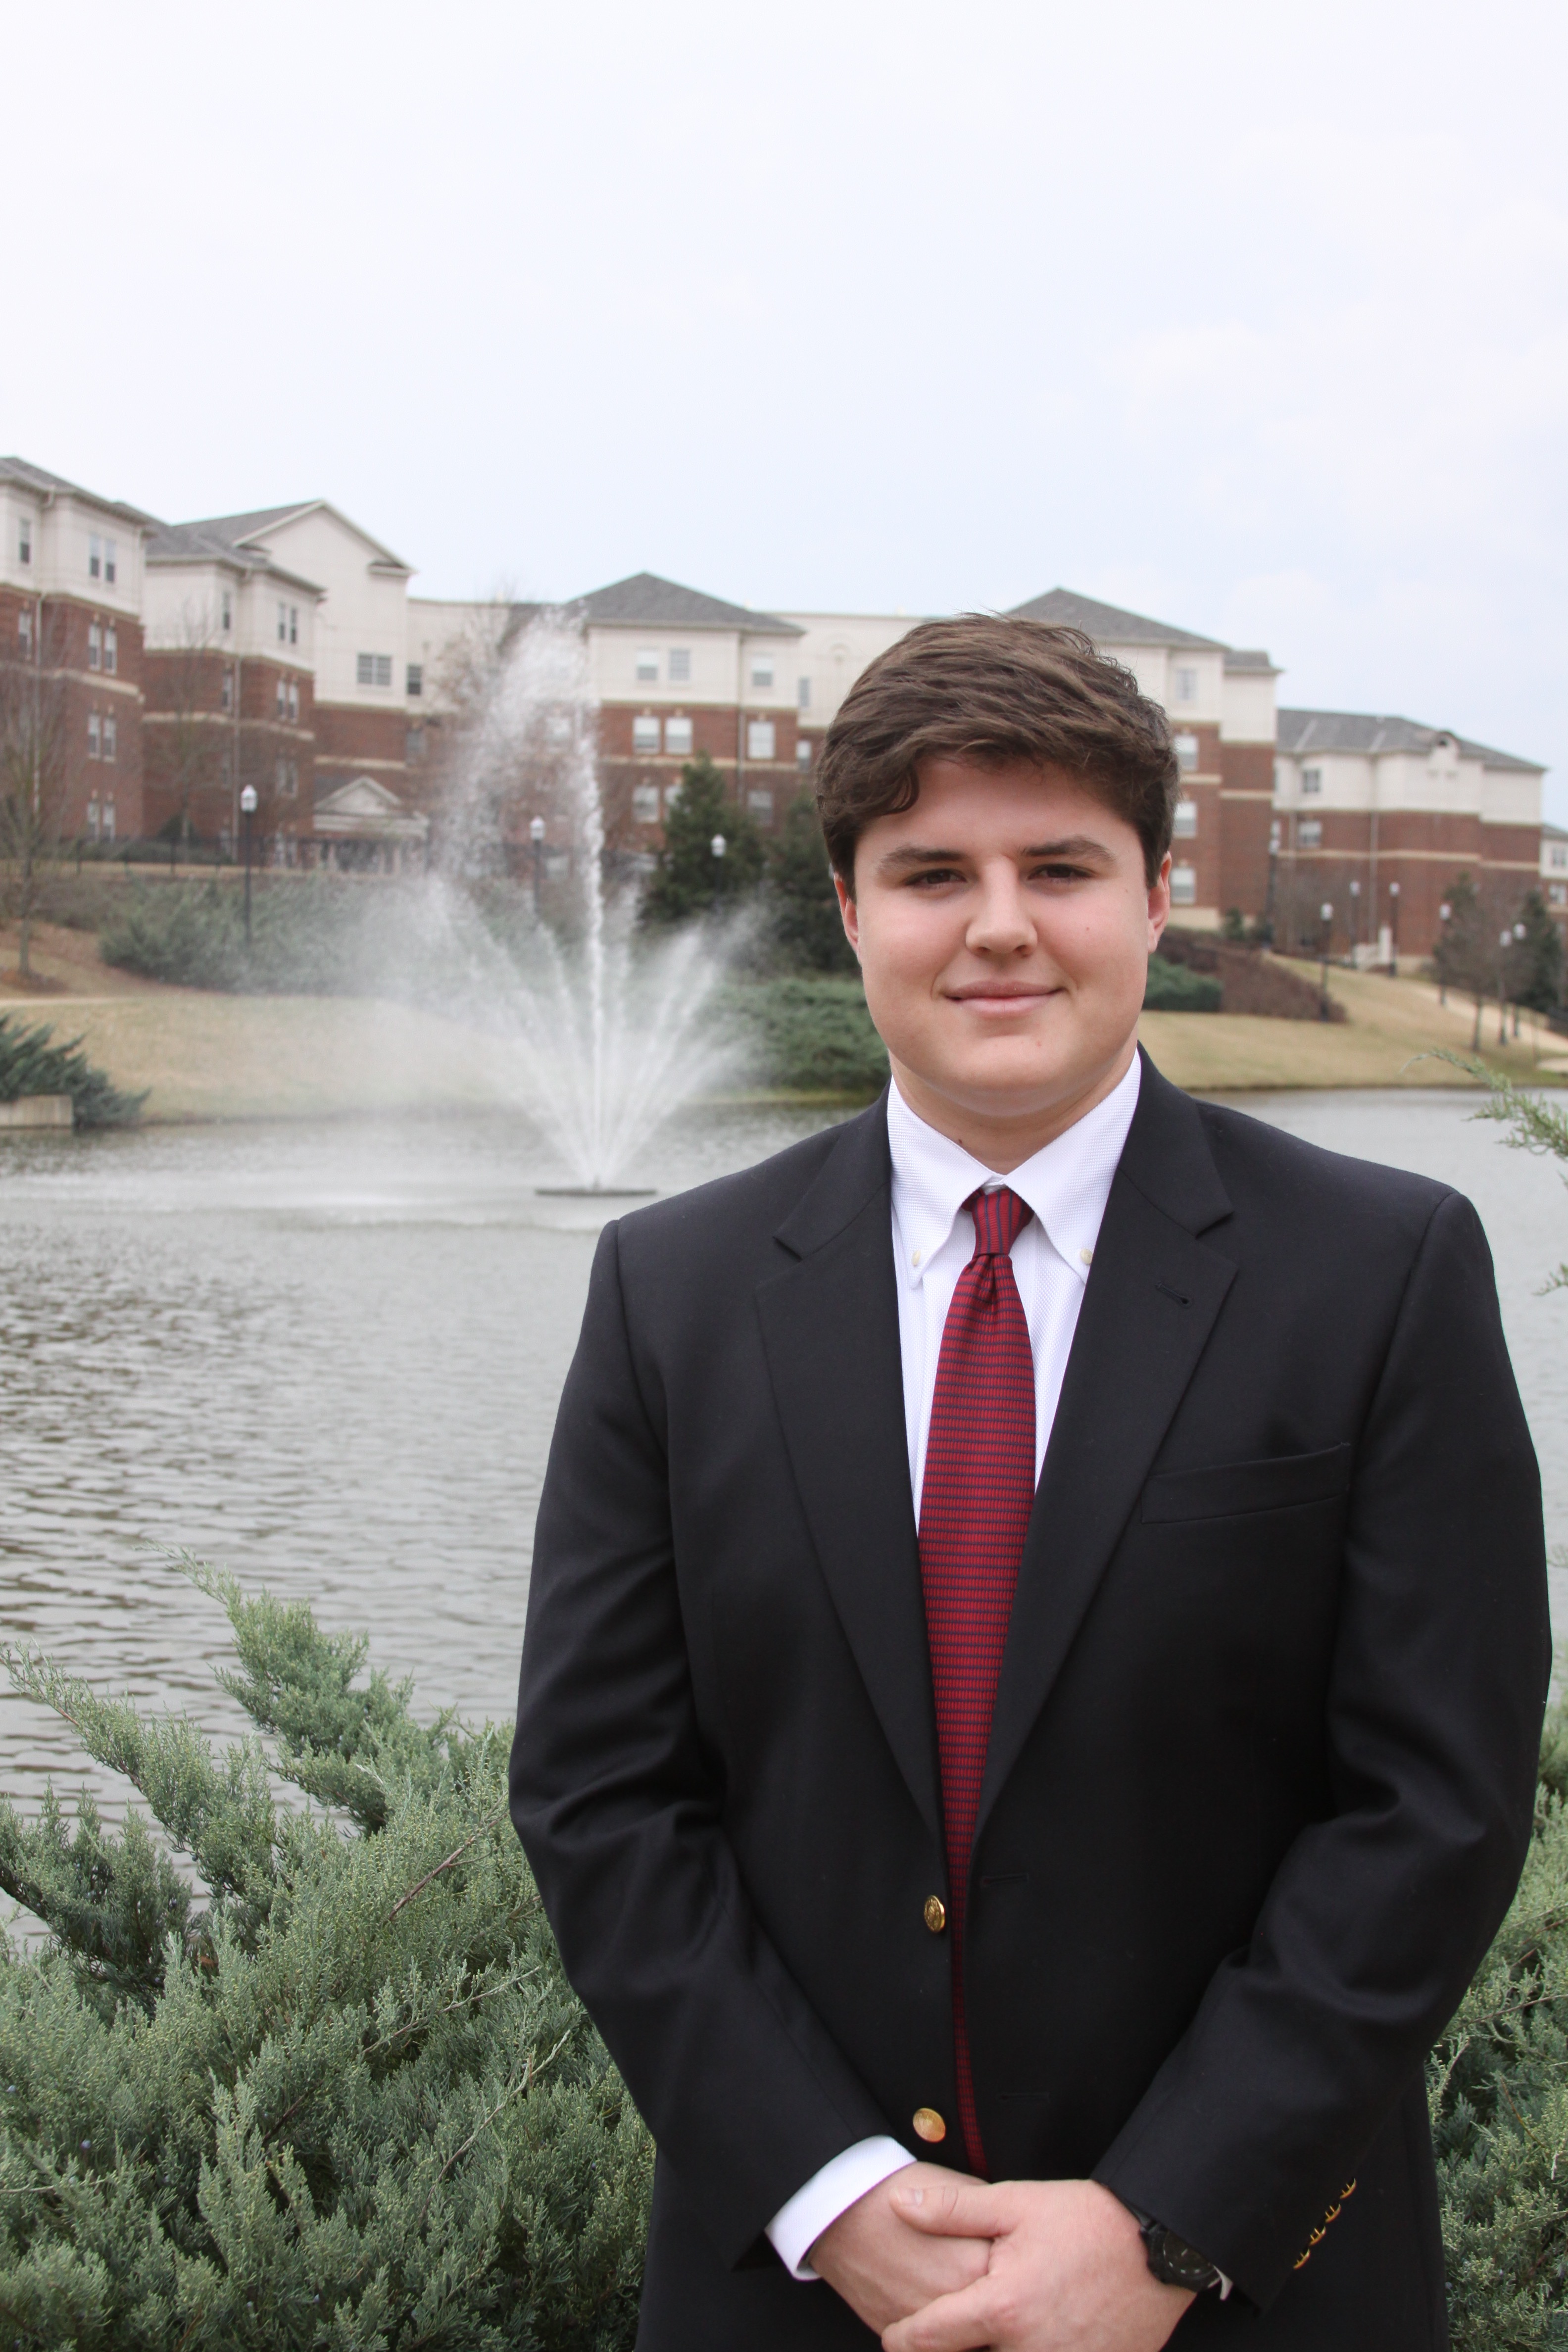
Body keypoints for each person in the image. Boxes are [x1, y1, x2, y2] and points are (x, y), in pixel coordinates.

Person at [510, 617, 1549, 2350]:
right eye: (933, 873)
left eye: (1059, 867)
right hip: (803, 2296)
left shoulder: (1381, 1276)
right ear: (852, 911)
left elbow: (1433, 1807)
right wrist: (829, 2192)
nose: (999, 923)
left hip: (1249, 2294)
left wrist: (1167, 2226)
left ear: (1156, 899)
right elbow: (600, 1792)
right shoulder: (669, 1295)